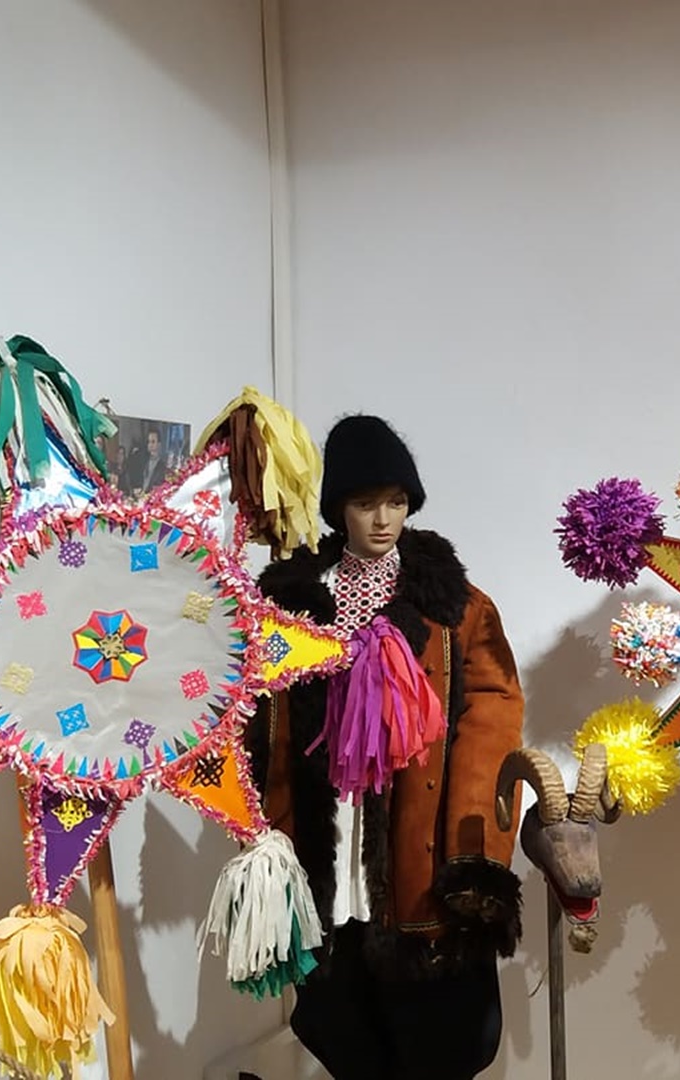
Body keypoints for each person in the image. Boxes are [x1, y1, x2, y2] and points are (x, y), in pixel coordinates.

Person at [250, 414, 524, 1079]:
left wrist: (472, 851)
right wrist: (265, 834)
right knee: (339, 1013)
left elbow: (491, 719)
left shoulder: (453, 606)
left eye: (396, 502)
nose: (382, 519)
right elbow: (260, 723)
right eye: (365, 502)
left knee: (440, 1029)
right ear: (338, 509)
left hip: (418, 836)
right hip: (328, 826)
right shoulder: (292, 603)